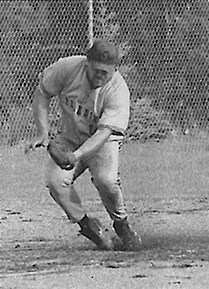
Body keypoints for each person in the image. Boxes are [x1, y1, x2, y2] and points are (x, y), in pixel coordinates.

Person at [25, 39, 142, 251]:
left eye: (106, 73)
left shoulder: (118, 90)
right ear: (86, 62)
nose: (100, 76)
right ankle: (88, 226)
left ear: (114, 70)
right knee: (55, 182)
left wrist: (76, 156)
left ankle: (121, 225)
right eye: (97, 70)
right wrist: (43, 133)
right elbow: (42, 94)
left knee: (105, 180)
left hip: (103, 141)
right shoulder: (68, 68)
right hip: (70, 137)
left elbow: (105, 132)